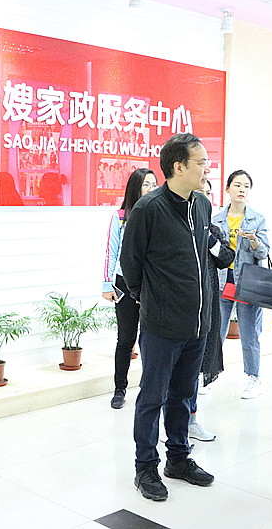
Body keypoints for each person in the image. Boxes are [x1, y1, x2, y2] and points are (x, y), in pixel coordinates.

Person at [120, 133, 219, 501]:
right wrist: (148, 298)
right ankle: (145, 466)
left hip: (198, 323)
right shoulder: (148, 209)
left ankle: (178, 458)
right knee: (153, 397)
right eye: (201, 163)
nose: (207, 169)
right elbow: (130, 264)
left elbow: (206, 257)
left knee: (184, 395)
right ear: (179, 167)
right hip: (162, 325)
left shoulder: (203, 204)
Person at [102, 168, 159, 410]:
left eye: (154, 184)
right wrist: (107, 284)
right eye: (146, 184)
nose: (151, 189)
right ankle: (120, 388)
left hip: (151, 285)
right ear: (135, 187)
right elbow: (111, 251)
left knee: (151, 340)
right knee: (126, 339)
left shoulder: (158, 214)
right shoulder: (120, 216)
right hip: (125, 284)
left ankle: (150, 388)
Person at [211, 170, 270, 399]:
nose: (242, 189)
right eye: (237, 185)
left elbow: (264, 252)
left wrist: (254, 240)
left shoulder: (257, 219)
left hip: (248, 282)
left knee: (249, 333)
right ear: (227, 189)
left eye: (246, 185)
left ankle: (254, 377)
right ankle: (209, 374)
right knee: (216, 331)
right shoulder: (217, 219)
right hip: (222, 280)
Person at [187, 179, 235, 441]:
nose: (204, 198)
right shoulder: (178, 226)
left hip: (207, 307)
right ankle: (173, 423)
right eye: (199, 193)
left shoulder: (213, 230)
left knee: (196, 367)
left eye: (208, 193)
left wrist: (209, 240)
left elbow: (226, 258)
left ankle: (191, 421)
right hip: (180, 308)